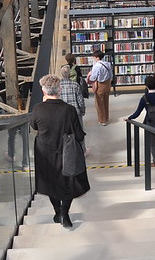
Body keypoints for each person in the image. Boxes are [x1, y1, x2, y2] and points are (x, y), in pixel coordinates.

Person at [30, 74, 90, 229]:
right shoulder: (69, 110)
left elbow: (34, 127)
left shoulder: (37, 109)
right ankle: (65, 213)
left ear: (44, 91)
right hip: (66, 151)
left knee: (51, 184)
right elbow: (78, 133)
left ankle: (57, 212)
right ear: (60, 90)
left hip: (44, 153)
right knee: (68, 182)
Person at [123, 77, 155, 166]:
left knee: (152, 144)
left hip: (150, 125)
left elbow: (137, 112)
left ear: (146, 86)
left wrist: (129, 118)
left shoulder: (144, 98)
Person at [87, 50, 113, 126]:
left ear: (97, 57)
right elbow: (111, 74)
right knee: (106, 101)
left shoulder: (96, 66)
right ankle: (106, 117)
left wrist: (89, 75)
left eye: (94, 57)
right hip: (107, 84)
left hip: (100, 85)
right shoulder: (108, 64)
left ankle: (102, 120)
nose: (93, 58)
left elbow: (93, 78)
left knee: (99, 103)